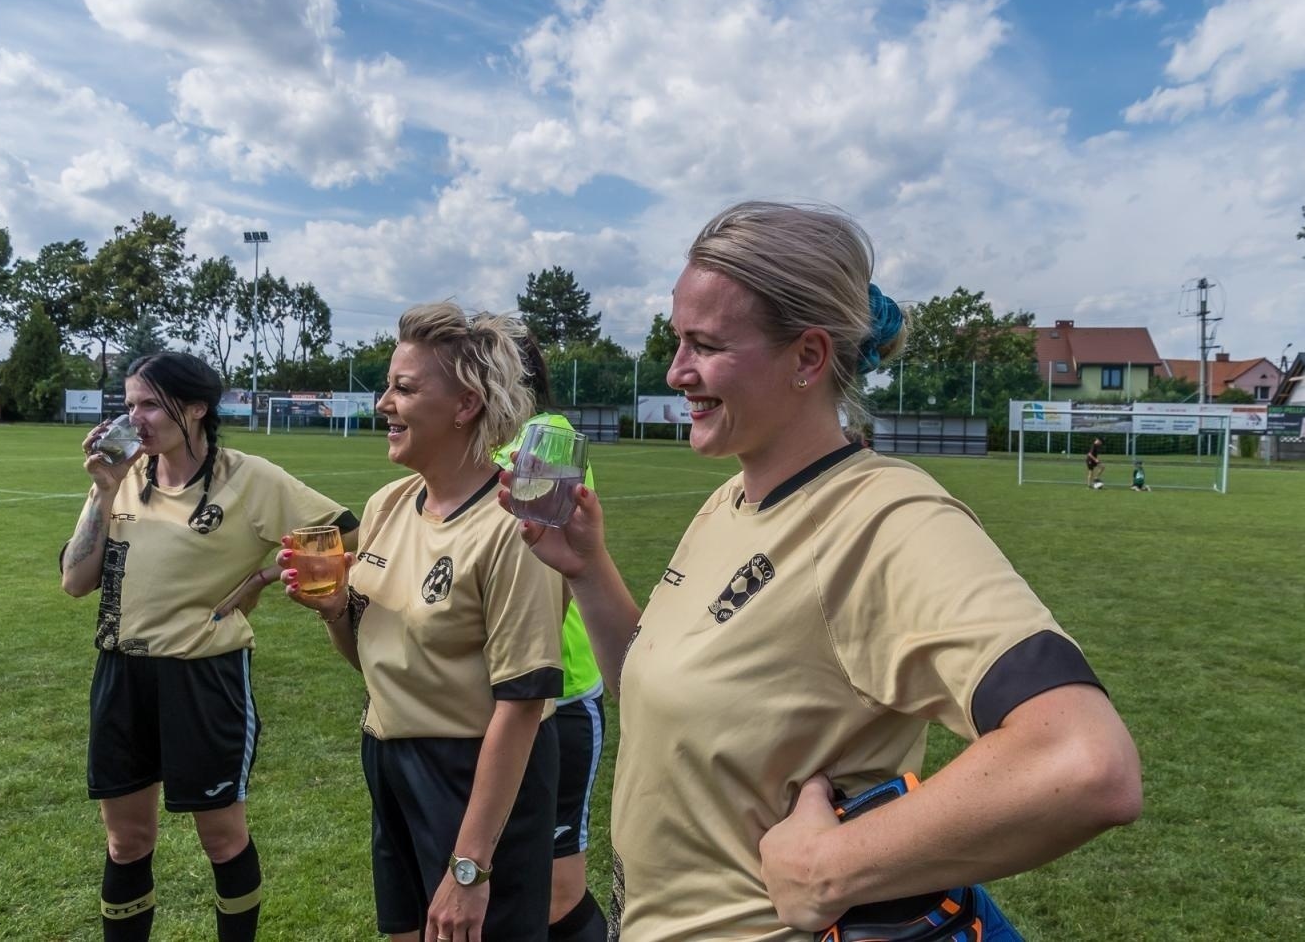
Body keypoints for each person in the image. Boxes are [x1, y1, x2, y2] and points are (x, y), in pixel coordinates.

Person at [504, 201, 1142, 941]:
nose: (678, 371)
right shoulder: (729, 501)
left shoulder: (886, 518)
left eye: (704, 344)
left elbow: (1084, 760)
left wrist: (833, 865)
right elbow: (663, 693)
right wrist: (587, 568)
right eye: (678, 341)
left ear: (808, 357)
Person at [281, 303, 564, 942]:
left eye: (404, 389)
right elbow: (378, 655)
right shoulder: (387, 505)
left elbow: (521, 707)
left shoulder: (519, 526)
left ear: (466, 405)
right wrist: (334, 614)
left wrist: (469, 869)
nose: (384, 402)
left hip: (475, 777)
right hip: (388, 756)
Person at [60, 351, 358, 942]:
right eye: (129, 405)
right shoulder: (123, 479)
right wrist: (101, 491)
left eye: (149, 404)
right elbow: (75, 580)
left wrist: (266, 576)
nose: (134, 419)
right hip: (122, 675)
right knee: (126, 841)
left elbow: (346, 530)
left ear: (195, 408)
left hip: (204, 677)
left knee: (221, 838)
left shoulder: (249, 478)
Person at [492, 334, 609, 942]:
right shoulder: (493, 442)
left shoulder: (547, 438)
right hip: (507, 693)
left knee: (557, 891)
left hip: (556, 692)